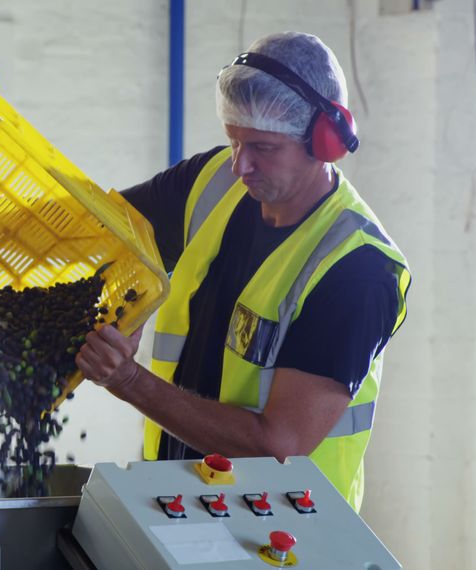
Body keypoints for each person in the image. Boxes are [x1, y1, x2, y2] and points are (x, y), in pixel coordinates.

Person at [74, 31, 411, 511]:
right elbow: (100, 227)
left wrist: (128, 380)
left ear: (325, 143)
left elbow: (278, 444)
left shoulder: (357, 270)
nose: (240, 165)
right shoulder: (213, 183)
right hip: (177, 503)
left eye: (263, 148)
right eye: (233, 141)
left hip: (287, 535)